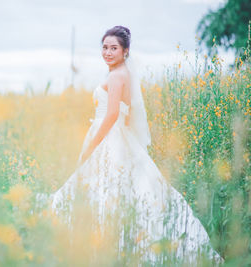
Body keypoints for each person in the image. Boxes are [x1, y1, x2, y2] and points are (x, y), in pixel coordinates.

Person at [47, 26, 224, 265]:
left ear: (125, 51)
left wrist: (92, 146)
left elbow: (111, 116)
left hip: (108, 135)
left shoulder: (116, 76)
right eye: (105, 47)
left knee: (104, 189)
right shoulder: (123, 74)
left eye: (114, 48)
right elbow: (126, 112)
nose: (108, 52)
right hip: (117, 135)